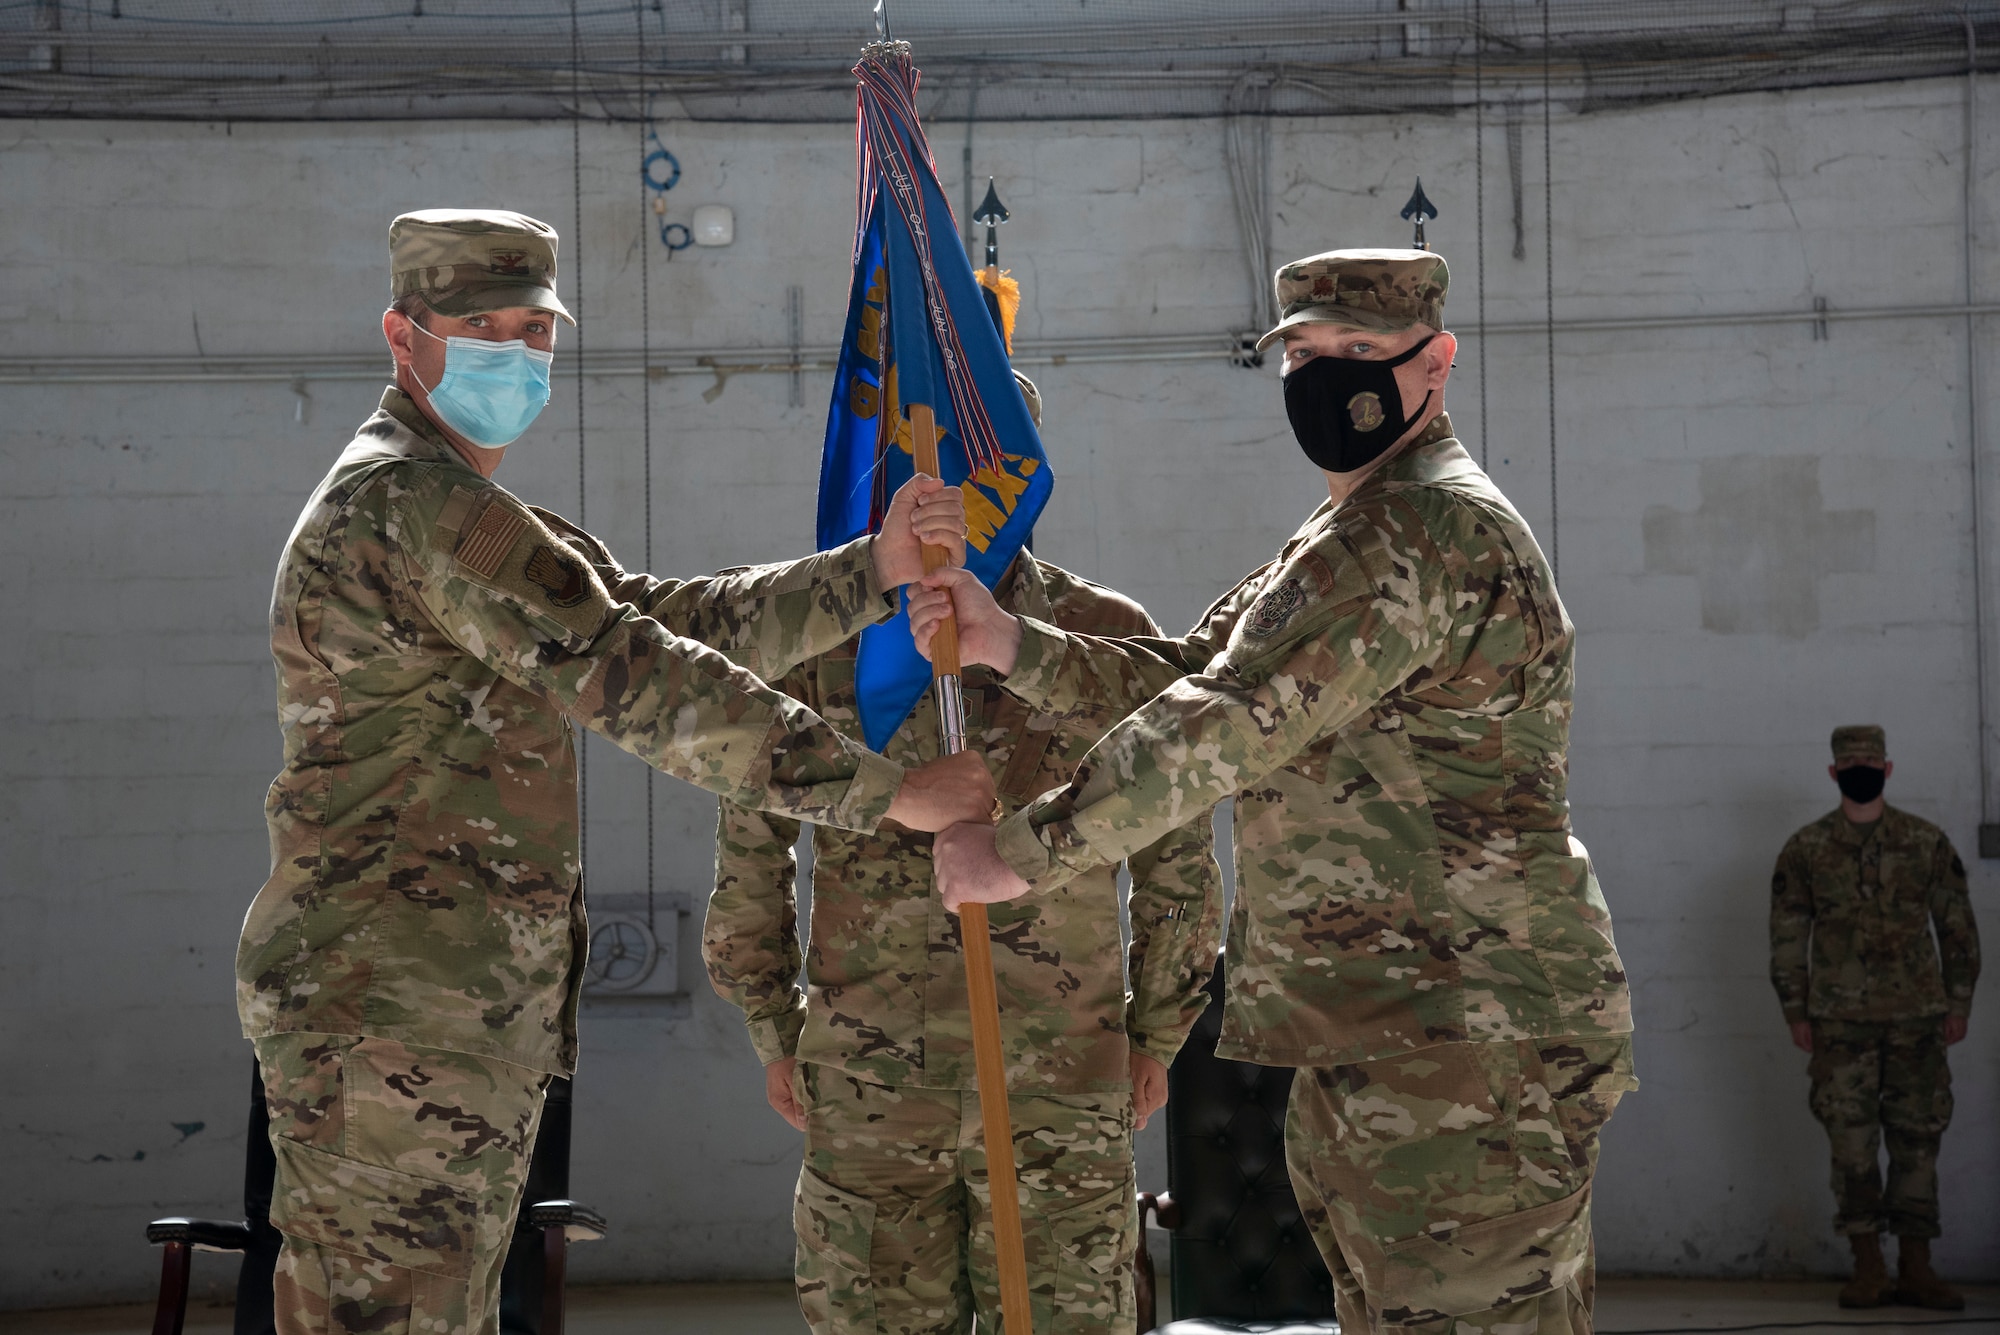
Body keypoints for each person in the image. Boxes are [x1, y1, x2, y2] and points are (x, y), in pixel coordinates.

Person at [235, 208, 995, 1334]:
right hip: (397, 1011)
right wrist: (888, 795)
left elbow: (645, 620)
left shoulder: (463, 508)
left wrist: (866, 573)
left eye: (533, 331)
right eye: (478, 329)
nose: (515, 354)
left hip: (435, 1010)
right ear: (404, 337)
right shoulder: (415, 505)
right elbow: (629, 673)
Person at [911, 249, 1635, 1335]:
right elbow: (1201, 679)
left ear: (1433, 363)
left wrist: (1020, 851)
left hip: (1461, 1041)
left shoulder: (1421, 531)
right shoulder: (1347, 530)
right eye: (1300, 352)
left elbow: (1228, 726)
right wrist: (1014, 646)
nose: (1319, 374)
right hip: (1392, 1029)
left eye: (1353, 352)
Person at [705, 372, 1224, 1335]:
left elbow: (1177, 843)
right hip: (874, 1084)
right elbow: (751, 841)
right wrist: (774, 1026)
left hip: (1057, 1080)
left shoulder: (1099, 637)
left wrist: (1156, 1031)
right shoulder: (825, 639)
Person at [1769, 725, 1979, 1310]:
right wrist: (1796, 1010)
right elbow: (1788, 937)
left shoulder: (1925, 843)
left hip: (1918, 1020)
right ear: (1834, 774)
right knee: (1852, 1146)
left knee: (1918, 1141)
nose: (1860, 768)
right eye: (1849, 761)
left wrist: (1958, 1004)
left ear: (1887, 770)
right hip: (1840, 1025)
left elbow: (1958, 931)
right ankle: (1868, 1269)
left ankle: (1916, 1268)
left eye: (1870, 760)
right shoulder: (1806, 850)